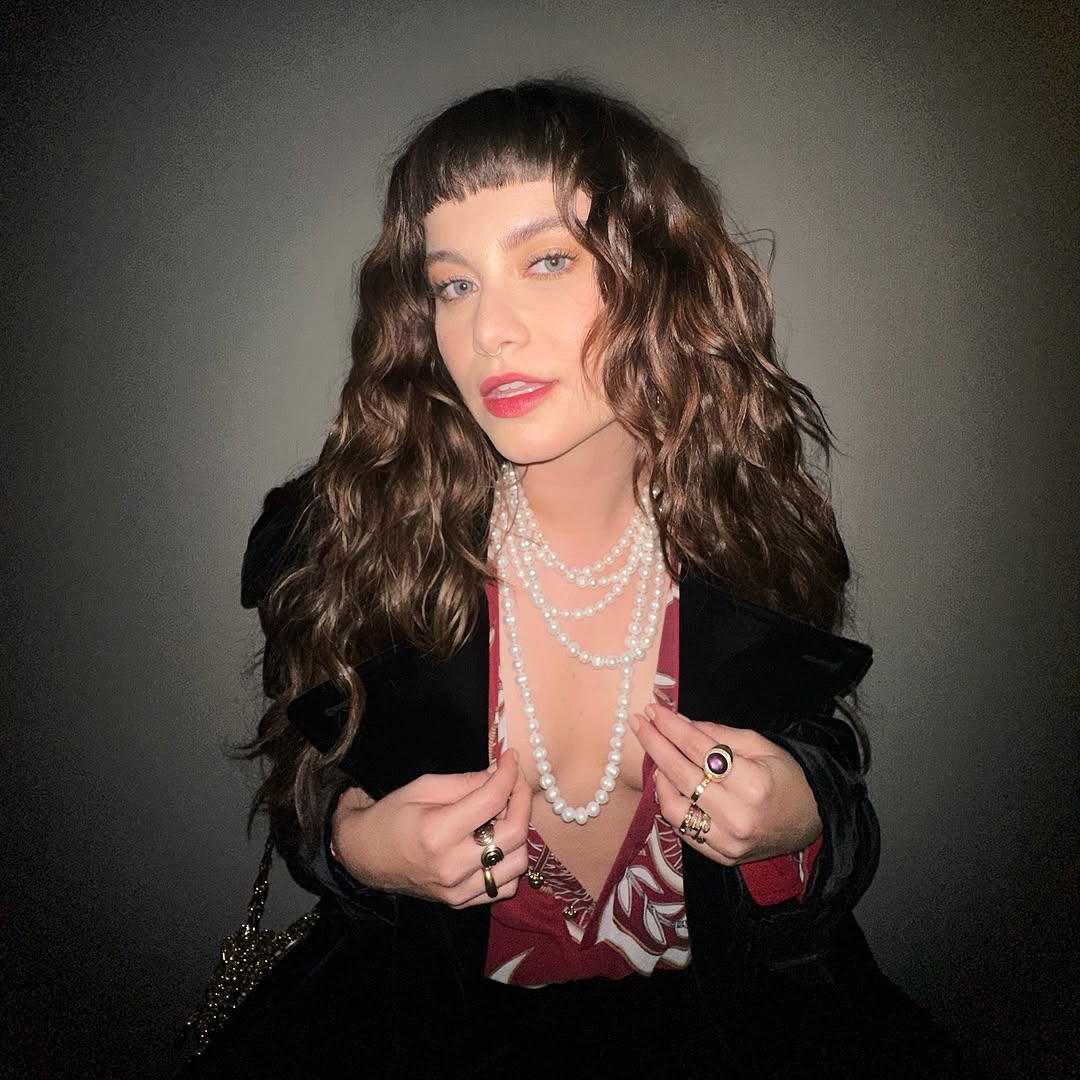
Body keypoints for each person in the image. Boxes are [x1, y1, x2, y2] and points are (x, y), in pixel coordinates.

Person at [194, 77, 984, 1078]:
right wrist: (359, 847)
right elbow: (308, 782)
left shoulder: (753, 538)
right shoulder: (354, 545)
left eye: (548, 259)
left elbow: (825, 764)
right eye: (454, 284)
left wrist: (805, 813)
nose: (488, 330)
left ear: (657, 277)